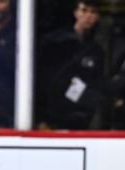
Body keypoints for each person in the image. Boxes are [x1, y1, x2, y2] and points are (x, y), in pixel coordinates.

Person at [36, 0, 105, 130]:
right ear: (76, 13)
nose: (89, 16)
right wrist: (40, 118)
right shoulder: (54, 42)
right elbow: (41, 81)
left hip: (77, 119)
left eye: (93, 12)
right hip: (50, 117)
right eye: (84, 10)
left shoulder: (97, 51)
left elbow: (95, 85)